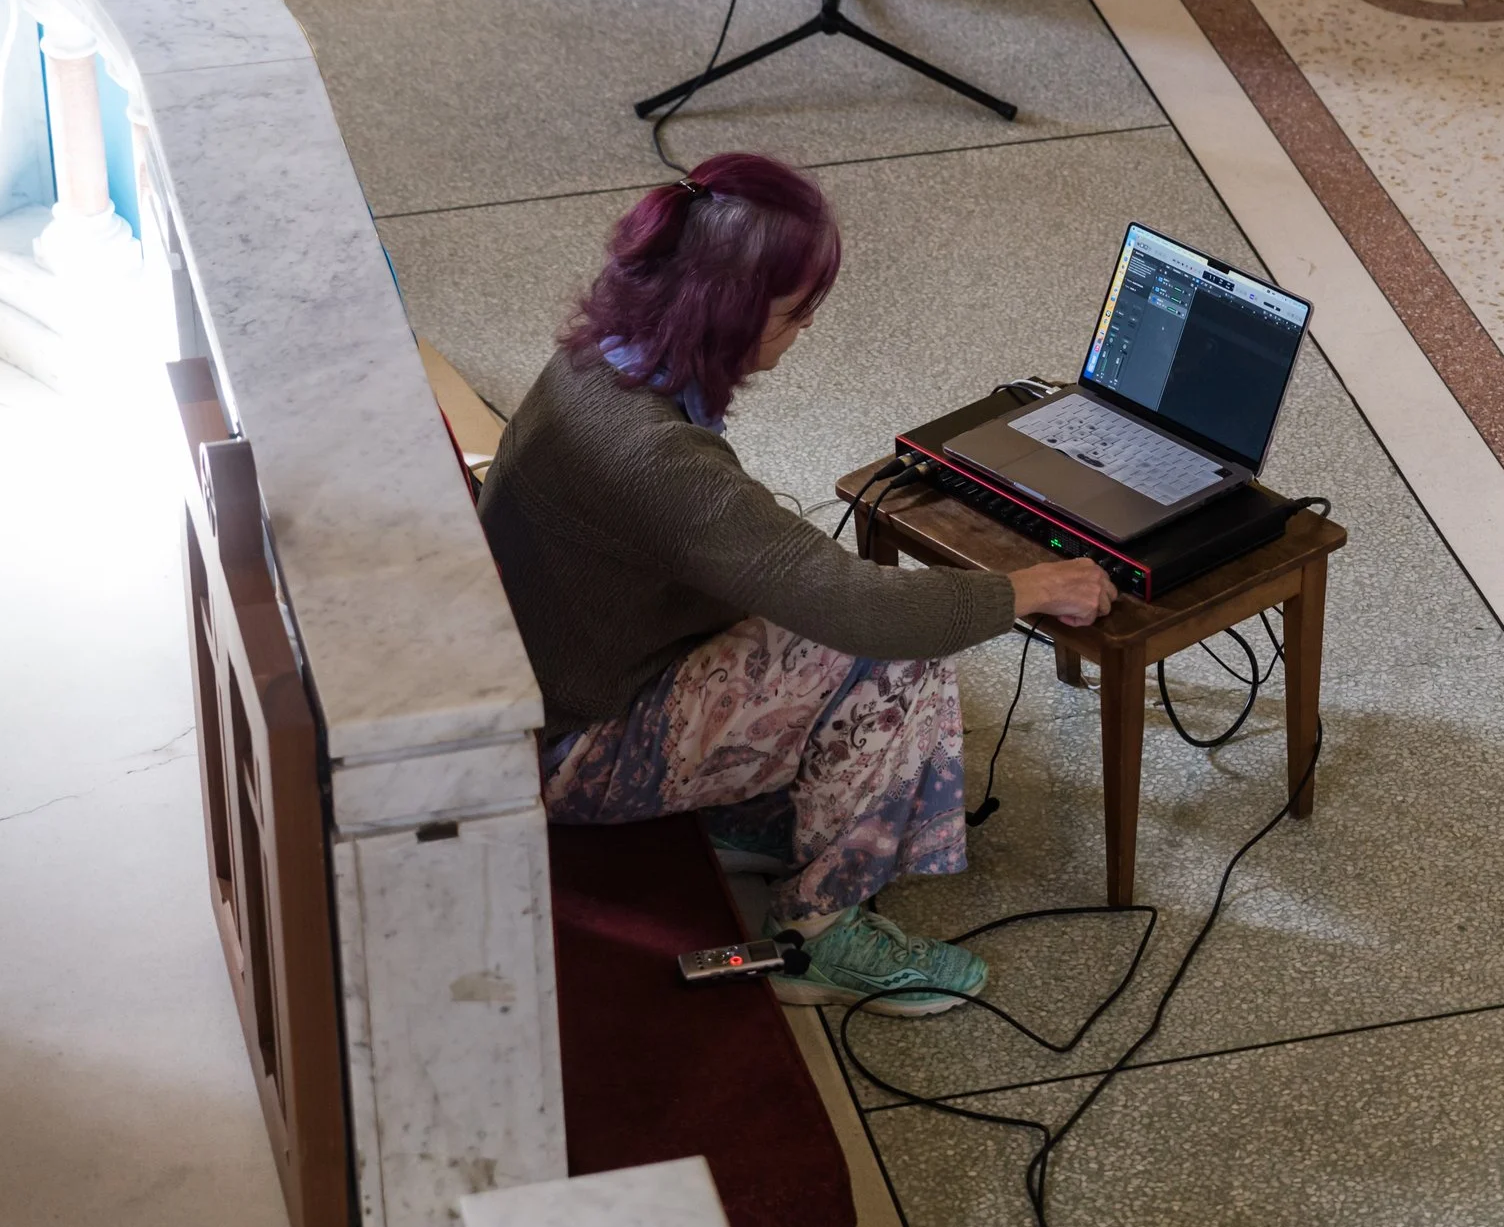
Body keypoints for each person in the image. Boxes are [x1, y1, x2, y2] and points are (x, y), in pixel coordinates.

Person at [477, 152, 1117, 1016]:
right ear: (726, 315)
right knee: (896, 663)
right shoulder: (654, 458)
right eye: (794, 310)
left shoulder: (597, 360)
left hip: (540, 691)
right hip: (564, 751)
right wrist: (1028, 588)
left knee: (826, 619)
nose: (806, 327)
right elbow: (855, 607)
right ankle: (820, 937)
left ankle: (742, 812)